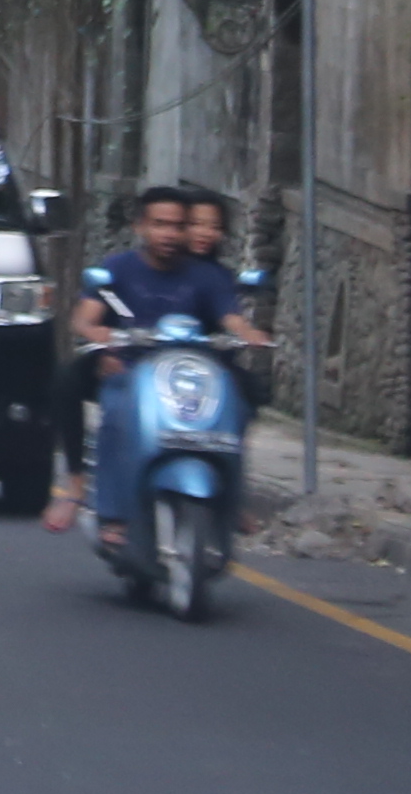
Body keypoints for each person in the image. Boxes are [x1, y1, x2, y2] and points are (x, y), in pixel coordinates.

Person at [44, 181, 267, 549]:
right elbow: (84, 319)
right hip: (133, 371)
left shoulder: (209, 276)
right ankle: (109, 510)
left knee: (237, 409)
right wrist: (101, 335)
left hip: (190, 373)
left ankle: (231, 498)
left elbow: (230, 317)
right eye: (160, 224)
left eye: (178, 226)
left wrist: (249, 333)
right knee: (115, 415)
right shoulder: (119, 268)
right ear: (140, 227)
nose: (169, 233)